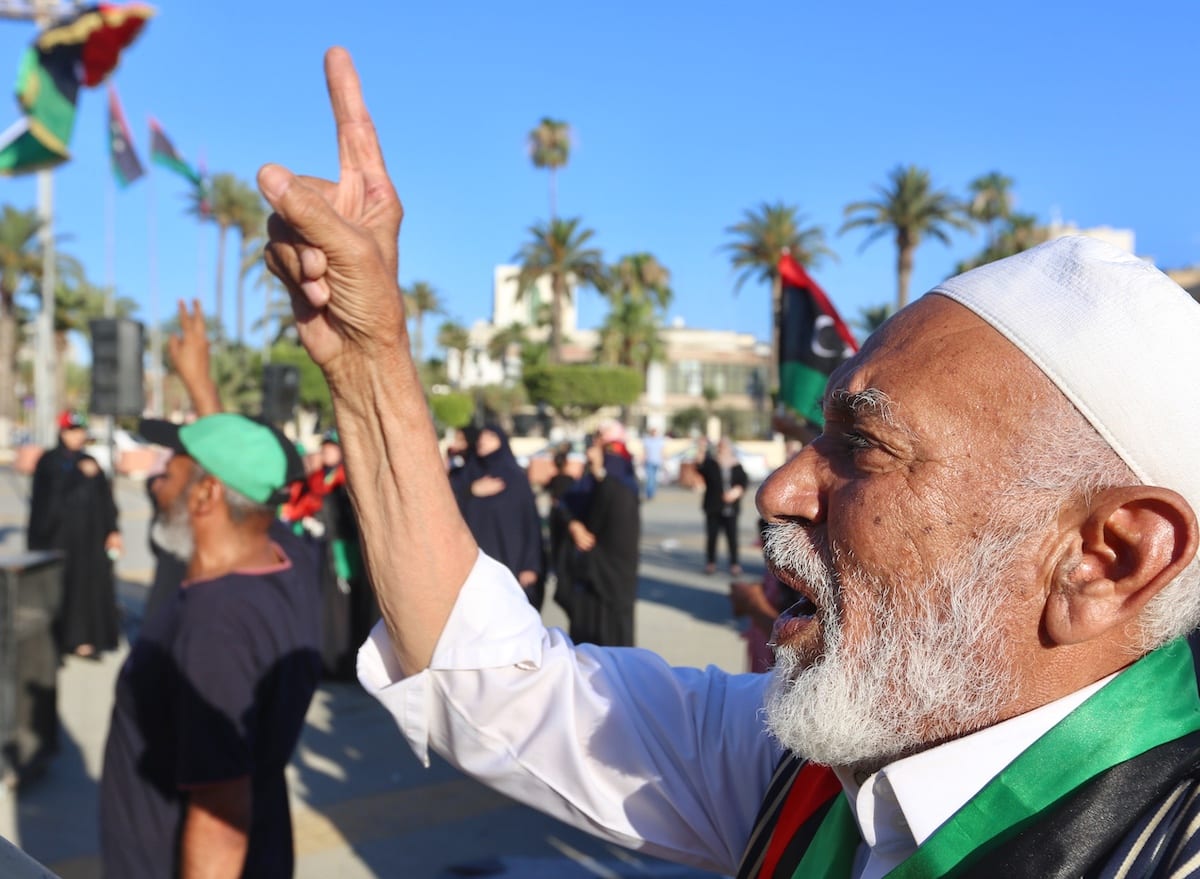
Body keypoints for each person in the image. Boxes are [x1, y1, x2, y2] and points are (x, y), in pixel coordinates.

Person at [258, 50, 1200, 877]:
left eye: (864, 446)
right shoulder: (818, 765)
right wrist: (370, 359)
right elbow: (493, 684)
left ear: (1107, 556)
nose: (781, 488)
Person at [99, 413, 319, 879]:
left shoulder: (214, 626)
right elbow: (249, 469)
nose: (158, 481)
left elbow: (221, 814)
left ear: (205, 493)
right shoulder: (287, 560)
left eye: (172, 468)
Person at [27, 409, 121, 659]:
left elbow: (106, 501)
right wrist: (78, 476)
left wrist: (113, 530)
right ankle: (57, 641)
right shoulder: (49, 462)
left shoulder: (90, 461)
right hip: (58, 541)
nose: (77, 436)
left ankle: (85, 640)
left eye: (80, 431)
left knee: (88, 589)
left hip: (90, 542)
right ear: (62, 432)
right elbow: (45, 503)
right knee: (59, 590)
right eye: (72, 431)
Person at [556, 432, 641, 646]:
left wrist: (599, 471)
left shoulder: (624, 488)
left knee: (613, 650)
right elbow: (564, 508)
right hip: (585, 576)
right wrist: (574, 525)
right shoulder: (585, 484)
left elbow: (610, 497)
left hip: (613, 576)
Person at [451, 423, 545, 609]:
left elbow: (530, 523)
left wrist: (531, 565)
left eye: (490, 437)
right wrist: (471, 491)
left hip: (511, 560)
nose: (483, 441)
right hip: (472, 564)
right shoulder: (466, 476)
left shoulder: (515, 477)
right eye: (481, 437)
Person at [698, 437, 749, 575]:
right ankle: (711, 562)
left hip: (731, 507)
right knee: (712, 536)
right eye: (720, 447)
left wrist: (736, 492)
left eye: (725, 447)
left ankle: (734, 563)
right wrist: (701, 448)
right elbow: (700, 468)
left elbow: (743, 481)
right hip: (713, 505)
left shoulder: (736, 464)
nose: (722, 449)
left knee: (732, 536)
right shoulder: (711, 463)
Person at [642, 426, 665, 501]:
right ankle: (649, 494)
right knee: (650, 479)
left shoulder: (660, 440)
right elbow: (645, 451)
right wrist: (643, 459)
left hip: (657, 461)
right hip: (649, 461)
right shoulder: (647, 440)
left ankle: (652, 493)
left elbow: (662, 451)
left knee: (654, 479)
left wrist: (663, 460)